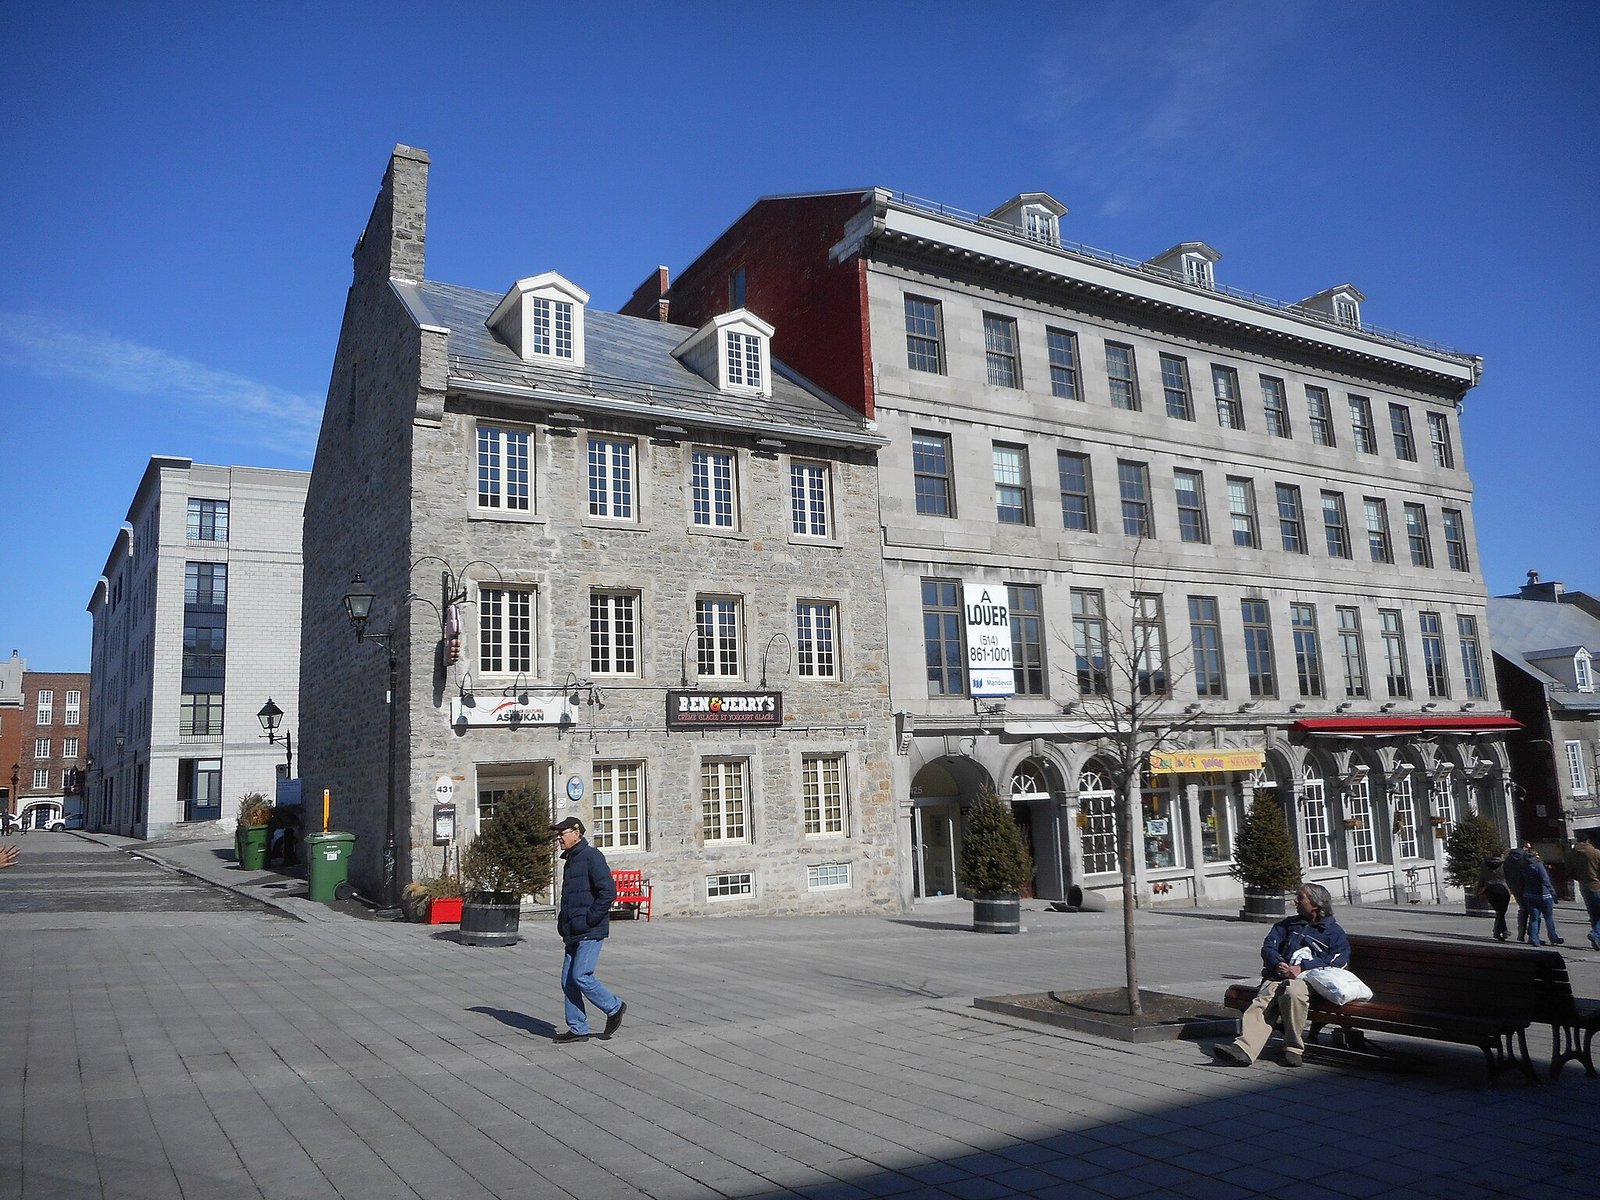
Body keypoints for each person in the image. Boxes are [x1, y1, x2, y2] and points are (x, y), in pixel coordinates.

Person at [1213, 882, 1351, 1068]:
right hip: (1279, 977)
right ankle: (1244, 1050)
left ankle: (1293, 1049)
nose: (1295, 901)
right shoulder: (1288, 925)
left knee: (1293, 992)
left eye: (1300, 897)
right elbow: (1269, 946)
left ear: (1316, 904)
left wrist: (1302, 968)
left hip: (1310, 981)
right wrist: (1278, 963)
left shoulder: (1333, 932)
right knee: (1265, 996)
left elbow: (1338, 960)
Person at [552, 816, 627, 1044]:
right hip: (572, 930)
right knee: (568, 981)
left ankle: (614, 1006)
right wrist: (563, 922)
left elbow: (607, 892)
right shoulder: (571, 861)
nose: (559, 838)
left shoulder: (592, 856)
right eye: (558, 834)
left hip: (590, 929)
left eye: (562, 833)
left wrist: (590, 919)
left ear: (577, 832)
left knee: (581, 975)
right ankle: (578, 1028)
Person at [1565, 833, 1600, 951]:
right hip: (1597, 885)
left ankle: (1597, 939)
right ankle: (1595, 934)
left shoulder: (1571, 854)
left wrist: (1579, 878)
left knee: (1594, 915)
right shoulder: (1595, 853)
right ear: (1588, 840)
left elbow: (1569, 872)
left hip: (1583, 886)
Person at [1522, 846, 1563, 947]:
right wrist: (1553, 894)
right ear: (1535, 855)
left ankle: (1534, 938)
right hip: (1543, 895)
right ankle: (1553, 938)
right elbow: (1545, 880)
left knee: (1534, 918)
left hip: (1529, 895)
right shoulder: (1538, 865)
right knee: (1548, 917)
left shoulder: (1523, 865)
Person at [1476, 848, 1513, 942]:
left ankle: (1500, 931)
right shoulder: (1505, 864)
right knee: (1501, 912)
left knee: (1499, 912)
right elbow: (1510, 877)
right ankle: (1499, 932)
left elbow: (1482, 878)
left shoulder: (1485, 864)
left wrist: (1478, 890)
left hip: (1490, 890)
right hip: (1503, 889)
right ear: (1500, 855)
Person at [1503, 843, 1530, 941]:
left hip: (1515, 887)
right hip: (1526, 886)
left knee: (1522, 909)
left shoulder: (1508, 859)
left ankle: (1521, 934)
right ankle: (1532, 935)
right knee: (1532, 910)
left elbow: (1505, 874)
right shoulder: (1525, 858)